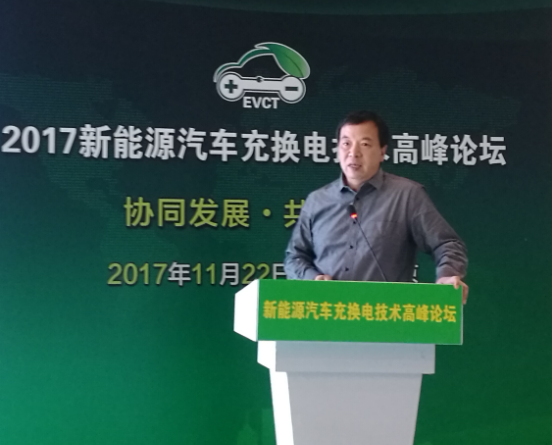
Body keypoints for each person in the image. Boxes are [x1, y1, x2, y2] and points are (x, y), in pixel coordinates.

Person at [284, 111, 469, 303]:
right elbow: (294, 257)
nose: (353, 153)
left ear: (382, 151)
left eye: (364, 144)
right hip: (326, 311)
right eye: (346, 143)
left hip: (385, 313)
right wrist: (312, 279)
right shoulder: (317, 200)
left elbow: (447, 243)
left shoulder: (407, 195)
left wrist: (448, 274)